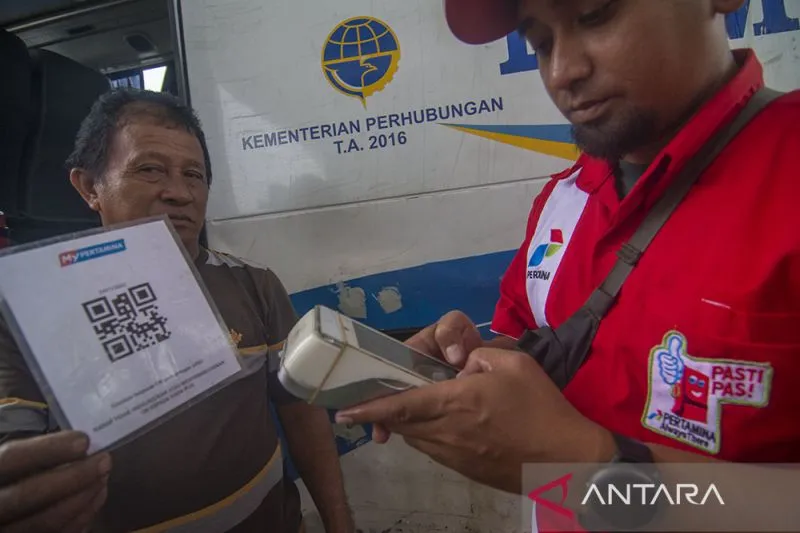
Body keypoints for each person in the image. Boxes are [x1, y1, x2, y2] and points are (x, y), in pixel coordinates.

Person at [335, 0, 800, 530]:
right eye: (540, 43)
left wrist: (587, 468)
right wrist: (482, 364)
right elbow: (538, 345)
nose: (562, 72)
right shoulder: (567, 196)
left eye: (595, 15)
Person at [0, 88, 354, 533]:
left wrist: (340, 524)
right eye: (150, 169)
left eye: (194, 175)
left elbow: (301, 413)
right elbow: (14, 454)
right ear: (90, 187)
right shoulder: (26, 315)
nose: (180, 193)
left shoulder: (254, 285)